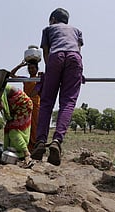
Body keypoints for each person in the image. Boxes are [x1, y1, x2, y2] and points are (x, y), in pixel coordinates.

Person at [31, 8, 84, 166]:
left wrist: (50, 73)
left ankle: (40, 141)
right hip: (75, 59)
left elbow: (46, 53)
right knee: (67, 102)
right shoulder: (77, 31)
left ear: (53, 19)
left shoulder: (48, 29)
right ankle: (56, 141)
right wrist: (76, 74)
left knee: (47, 102)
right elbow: (78, 51)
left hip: (55, 57)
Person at [10, 60, 43, 152]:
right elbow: (11, 75)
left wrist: (42, 76)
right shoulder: (26, 79)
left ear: (37, 69)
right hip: (26, 106)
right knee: (25, 126)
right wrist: (20, 65)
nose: (31, 70)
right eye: (29, 68)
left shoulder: (39, 78)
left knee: (35, 126)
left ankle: (35, 148)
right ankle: (26, 148)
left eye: (33, 68)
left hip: (36, 106)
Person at [1, 84, 33, 168]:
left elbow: (2, 105)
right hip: (18, 107)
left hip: (24, 106)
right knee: (8, 127)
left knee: (13, 130)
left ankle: (27, 155)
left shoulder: (0, 87)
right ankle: (15, 154)